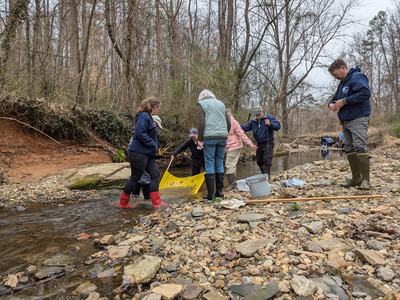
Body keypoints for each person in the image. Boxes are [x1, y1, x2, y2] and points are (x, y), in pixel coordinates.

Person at [328, 59, 372, 190]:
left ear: (343, 68)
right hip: (346, 120)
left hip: (358, 117)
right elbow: (335, 98)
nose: (335, 78)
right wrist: (331, 104)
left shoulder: (356, 77)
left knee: (359, 146)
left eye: (336, 75)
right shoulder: (342, 84)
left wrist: (345, 101)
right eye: (333, 76)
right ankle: (356, 178)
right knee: (349, 148)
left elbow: (365, 93)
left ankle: (366, 181)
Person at [118, 97, 169, 209]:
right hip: (138, 152)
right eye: (158, 108)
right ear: (154, 107)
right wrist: (153, 144)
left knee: (155, 175)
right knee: (135, 178)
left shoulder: (148, 117)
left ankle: (157, 202)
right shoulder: (144, 116)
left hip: (147, 153)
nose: (158, 110)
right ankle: (123, 203)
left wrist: (154, 148)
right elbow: (140, 133)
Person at [197, 89, 231, 201]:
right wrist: (225, 133)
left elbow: (202, 123)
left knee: (209, 162)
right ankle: (220, 192)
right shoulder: (221, 104)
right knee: (219, 161)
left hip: (209, 137)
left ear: (201, 97)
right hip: (223, 136)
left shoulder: (201, 104)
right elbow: (228, 122)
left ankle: (211, 195)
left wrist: (200, 139)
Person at [241, 106, 281, 178]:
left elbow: (278, 126)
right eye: (256, 115)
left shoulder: (269, 117)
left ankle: (267, 177)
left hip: (268, 142)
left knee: (267, 160)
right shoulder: (253, 121)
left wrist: (270, 124)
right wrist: (236, 126)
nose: (258, 116)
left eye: (259, 114)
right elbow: (246, 127)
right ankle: (264, 175)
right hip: (259, 143)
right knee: (259, 161)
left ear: (262, 112)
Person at [225, 109, 256, 190]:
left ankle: (232, 184)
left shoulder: (234, 122)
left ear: (230, 113)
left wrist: (249, 143)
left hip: (235, 146)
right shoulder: (224, 122)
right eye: (226, 114)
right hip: (229, 146)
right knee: (232, 164)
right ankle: (234, 183)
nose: (227, 115)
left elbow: (241, 133)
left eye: (228, 114)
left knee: (229, 164)